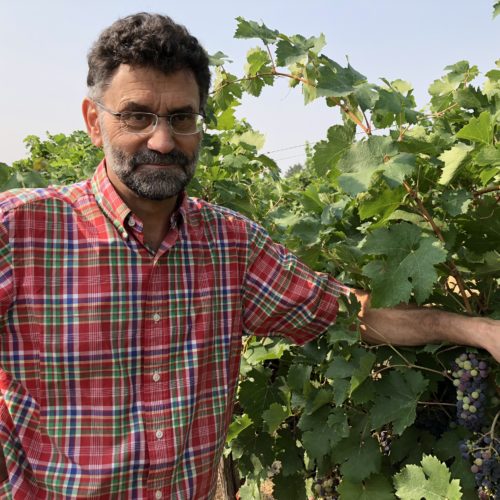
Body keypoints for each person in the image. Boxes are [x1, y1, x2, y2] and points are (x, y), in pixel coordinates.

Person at [0, 12, 497, 499]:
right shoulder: (17, 231)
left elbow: (352, 316)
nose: (163, 139)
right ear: (94, 121)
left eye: (182, 117)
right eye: (136, 116)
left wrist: (476, 330)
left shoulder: (231, 244)